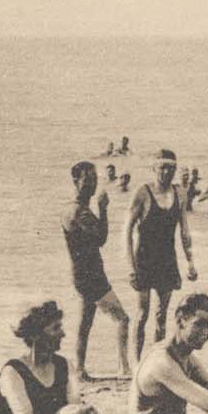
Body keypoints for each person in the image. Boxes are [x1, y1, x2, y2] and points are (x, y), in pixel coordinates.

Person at [0, 301, 157, 414]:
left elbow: (74, 409)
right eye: (55, 329)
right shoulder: (13, 372)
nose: (62, 334)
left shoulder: (64, 365)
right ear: (35, 336)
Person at [126, 149, 199, 361]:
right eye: (163, 167)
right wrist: (131, 267)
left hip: (167, 260)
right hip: (144, 260)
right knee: (142, 315)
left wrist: (190, 262)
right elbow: (126, 233)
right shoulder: (142, 193)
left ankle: (157, 362)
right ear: (154, 169)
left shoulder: (180, 194)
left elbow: (184, 230)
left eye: (171, 168)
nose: (167, 172)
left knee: (162, 316)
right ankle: (135, 364)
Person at [63, 161, 131, 379]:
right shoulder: (79, 212)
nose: (92, 185)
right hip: (91, 275)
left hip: (82, 274)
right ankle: (123, 368)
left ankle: (80, 369)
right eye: (87, 180)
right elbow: (101, 238)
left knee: (85, 323)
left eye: (94, 179)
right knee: (122, 319)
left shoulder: (72, 209)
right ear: (75, 181)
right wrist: (103, 209)